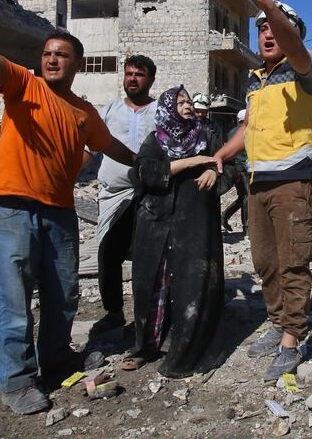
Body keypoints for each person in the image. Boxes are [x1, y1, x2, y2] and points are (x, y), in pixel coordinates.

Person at [0, 0, 136, 415]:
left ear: (77, 62)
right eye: (47, 54)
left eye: (61, 54)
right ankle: (19, 381)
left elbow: (110, 146)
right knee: (13, 298)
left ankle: (57, 359)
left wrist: (145, 163)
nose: (51, 59)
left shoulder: (83, 111)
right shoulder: (23, 85)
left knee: (63, 295)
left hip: (60, 213)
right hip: (12, 208)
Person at [213, 0, 312, 382]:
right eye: (261, 29)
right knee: (265, 262)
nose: (267, 33)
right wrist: (220, 156)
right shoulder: (256, 81)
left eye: (275, 27)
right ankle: (279, 323)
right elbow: (247, 129)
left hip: (295, 182)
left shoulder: (304, 70)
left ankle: (292, 341)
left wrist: (267, 3)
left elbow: (293, 45)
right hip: (258, 183)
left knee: (293, 262)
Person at [125, 85, 225, 377]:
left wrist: (214, 170)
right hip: (155, 224)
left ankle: (186, 351)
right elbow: (145, 173)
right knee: (153, 285)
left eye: (189, 101)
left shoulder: (207, 135)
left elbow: (229, 165)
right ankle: (148, 346)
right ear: (168, 108)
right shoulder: (156, 140)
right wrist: (191, 162)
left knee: (193, 285)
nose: (187, 106)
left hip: (195, 224)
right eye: (180, 102)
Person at [90, 55, 158, 335]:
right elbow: (90, 148)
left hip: (151, 193)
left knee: (150, 256)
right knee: (108, 252)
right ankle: (114, 312)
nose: (132, 78)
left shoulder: (160, 112)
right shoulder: (109, 111)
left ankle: (151, 314)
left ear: (150, 79)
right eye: (128, 73)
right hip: (113, 194)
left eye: (139, 74)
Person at [222, 109, 248, 233]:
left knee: (243, 196)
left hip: (235, 168)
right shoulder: (248, 132)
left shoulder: (231, 132)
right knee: (247, 196)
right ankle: (246, 226)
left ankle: (225, 216)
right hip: (245, 168)